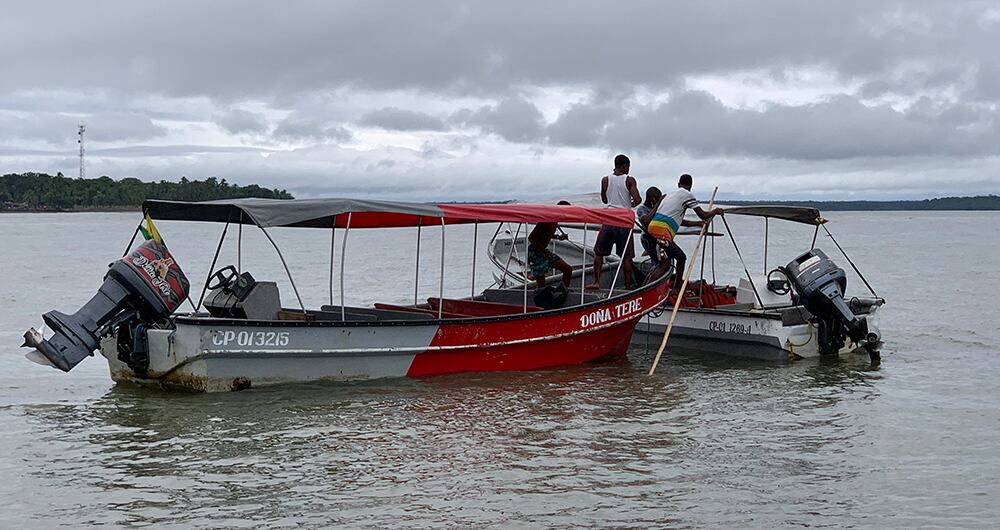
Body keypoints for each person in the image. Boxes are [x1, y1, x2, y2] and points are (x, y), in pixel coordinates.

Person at [640, 173, 724, 286]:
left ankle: (678, 284)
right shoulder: (687, 195)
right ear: (691, 185)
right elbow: (703, 214)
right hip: (661, 235)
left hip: (654, 231)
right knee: (664, 266)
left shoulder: (670, 196)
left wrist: (698, 224)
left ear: (678, 184)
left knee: (680, 257)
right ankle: (646, 290)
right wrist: (715, 211)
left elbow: (677, 219)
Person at [585, 154, 641, 290]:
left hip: (609, 219)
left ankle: (596, 282)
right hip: (624, 221)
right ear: (624, 165)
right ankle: (627, 286)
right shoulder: (629, 180)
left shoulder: (605, 180)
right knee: (626, 257)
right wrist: (630, 204)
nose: (629, 169)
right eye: (628, 166)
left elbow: (604, 199)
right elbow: (638, 199)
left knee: (599, 253)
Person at [527, 201, 574, 289]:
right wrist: (544, 251)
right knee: (541, 285)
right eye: (567, 212)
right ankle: (540, 299)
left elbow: (546, 234)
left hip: (544, 252)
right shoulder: (546, 220)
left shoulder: (555, 220)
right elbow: (531, 237)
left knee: (568, 269)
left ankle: (563, 291)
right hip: (535, 253)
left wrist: (558, 237)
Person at [635, 186, 662, 267]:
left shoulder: (659, 208)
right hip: (647, 238)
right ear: (653, 199)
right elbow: (646, 220)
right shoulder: (641, 209)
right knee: (656, 263)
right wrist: (656, 206)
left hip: (659, 238)